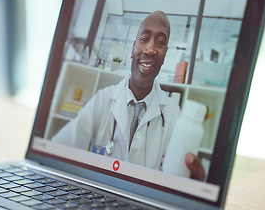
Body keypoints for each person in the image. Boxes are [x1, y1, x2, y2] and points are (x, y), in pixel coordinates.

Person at [52, 11, 205, 181]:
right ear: (133, 48)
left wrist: (191, 184)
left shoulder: (172, 115)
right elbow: (59, 149)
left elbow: (174, 181)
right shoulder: (103, 100)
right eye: (144, 39)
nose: (150, 49)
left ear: (164, 54)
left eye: (160, 42)